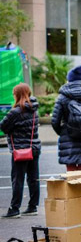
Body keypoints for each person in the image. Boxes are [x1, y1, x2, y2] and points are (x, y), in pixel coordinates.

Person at [1, 84, 41, 219]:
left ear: (17, 95)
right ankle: (32, 206)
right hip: (34, 148)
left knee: (17, 179)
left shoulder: (15, 112)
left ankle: (14, 209)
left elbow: (4, 127)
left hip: (20, 150)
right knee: (33, 178)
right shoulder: (34, 110)